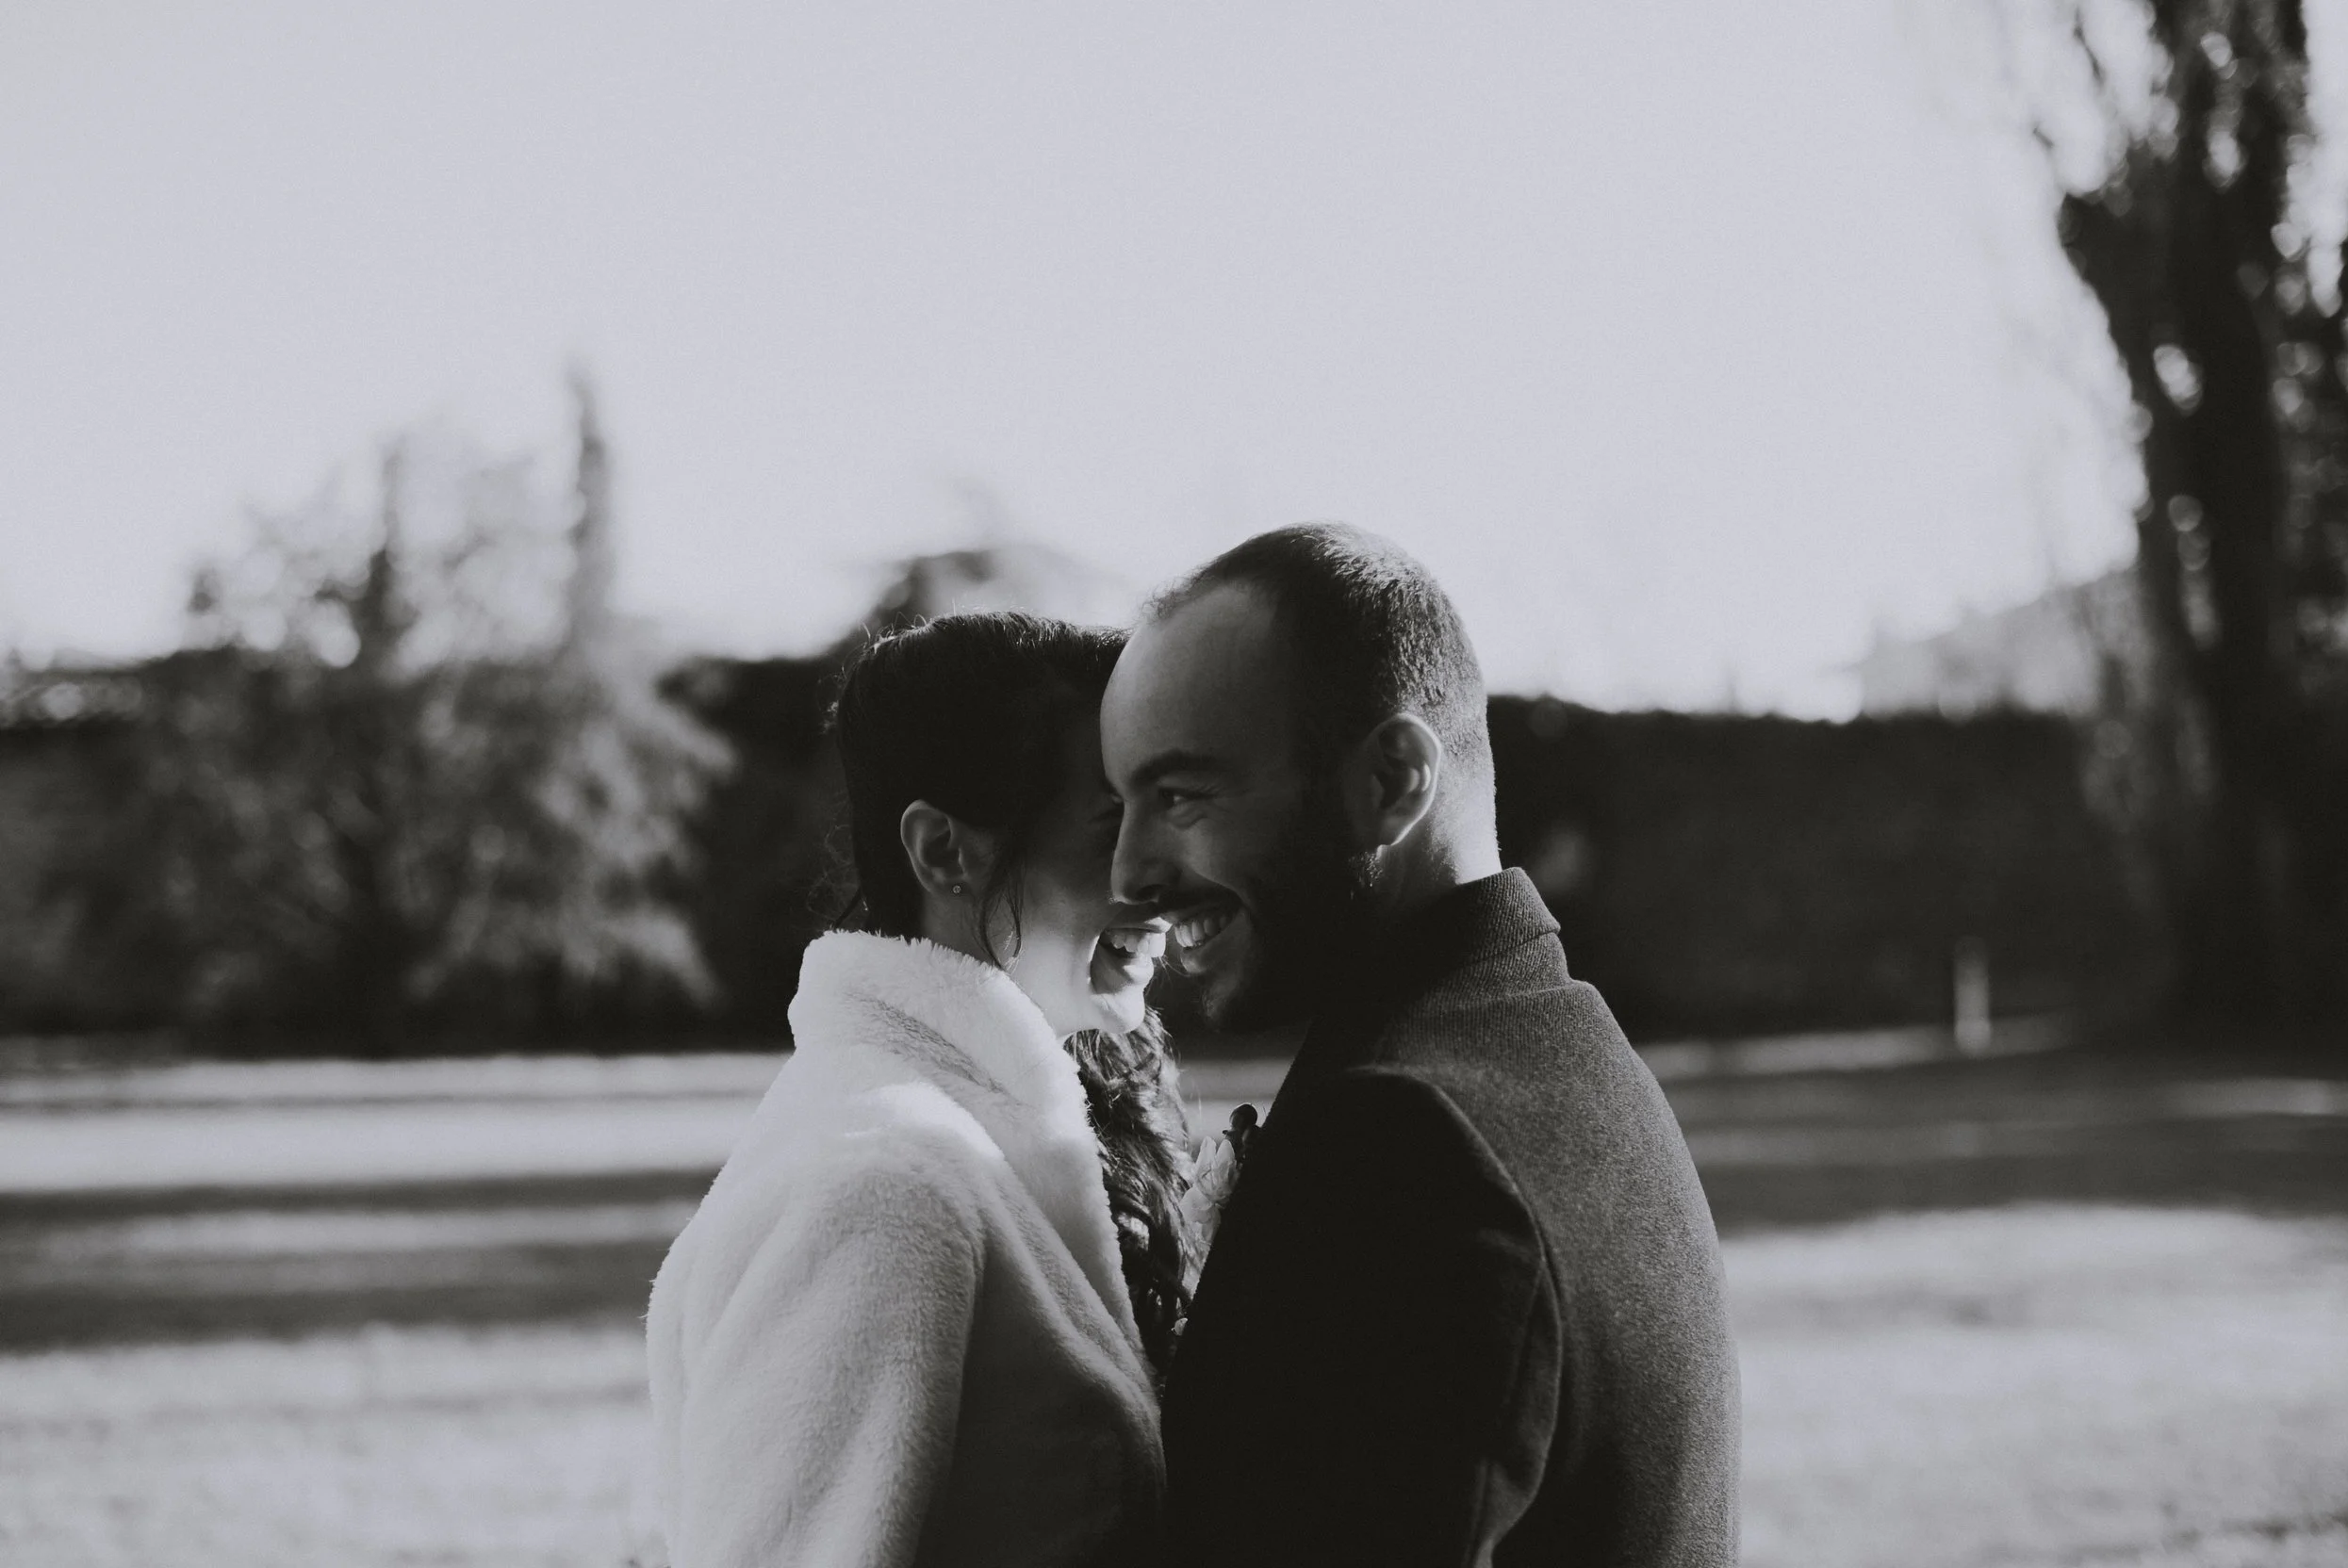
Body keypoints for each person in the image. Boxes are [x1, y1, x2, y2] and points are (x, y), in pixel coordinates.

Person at [1103, 524, 1741, 1567]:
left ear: (1393, 779)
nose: (1130, 871)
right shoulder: (1570, 1055)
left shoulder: (1397, 1143)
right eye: (1120, 803)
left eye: (1181, 797)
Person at [647, 612, 1194, 1568]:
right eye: (1112, 820)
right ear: (945, 850)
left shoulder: (1000, 1143)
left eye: (1171, 808)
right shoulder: (881, 1191)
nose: (1164, 873)